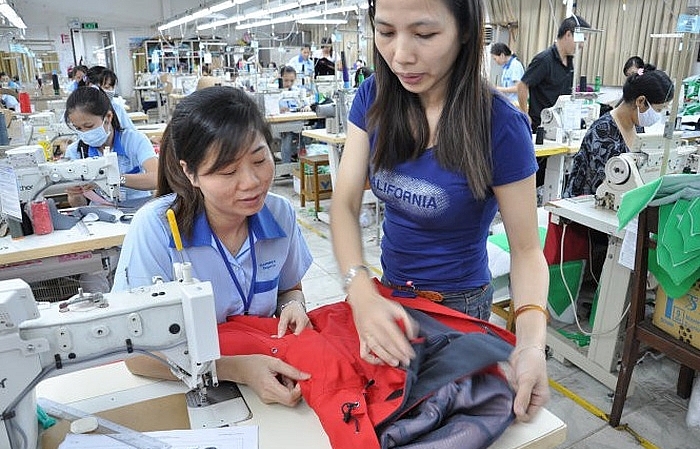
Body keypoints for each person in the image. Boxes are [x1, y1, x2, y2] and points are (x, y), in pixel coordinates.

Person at [330, 0, 550, 422]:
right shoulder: (374, 96)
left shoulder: (499, 126)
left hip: (457, 307)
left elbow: (526, 251)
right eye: (386, 32)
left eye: (425, 34)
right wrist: (361, 292)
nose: (400, 55)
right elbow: (344, 203)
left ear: (465, 30)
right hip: (390, 294)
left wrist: (530, 345)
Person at [112, 86, 314, 407]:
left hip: (269, 375)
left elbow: (290, 289)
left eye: (260, 159)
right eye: (228, 171)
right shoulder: (157, 228)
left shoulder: (279, 213)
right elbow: (137, 357)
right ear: (190, 173)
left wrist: (294, 306)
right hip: (186, 383)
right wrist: (236, 369)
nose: (251, 182)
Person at [564, 68, 673, 198]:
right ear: (640, 101)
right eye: (659, 109)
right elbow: (605, 187)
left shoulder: (637, 126)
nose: (658, 115)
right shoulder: (604, 132)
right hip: (588, 204)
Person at [63, 86, 157, 208]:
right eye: (78, 128)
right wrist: (74, 194)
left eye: (89, 126)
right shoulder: (76, 152)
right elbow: (80, 206)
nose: (84, 133)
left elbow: (157, 178)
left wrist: (116, 179)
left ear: (108, 117)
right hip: (99, 214)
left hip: (139, 210)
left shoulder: (133, 140)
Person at [517, 15, 591, 132]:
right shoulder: (544, 60)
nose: (582, 45)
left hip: (561, 126)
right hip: (542, 126)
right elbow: (522, 85)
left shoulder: (569, 61)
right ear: (568, 34)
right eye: (582, 39)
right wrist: (525, 114)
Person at [278, 65, 311, 163]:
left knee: (305, 137)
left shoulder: (297, 91)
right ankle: (286, 166)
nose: (289, 83)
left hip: (297, 123)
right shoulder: (275, 92)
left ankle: (304, 164)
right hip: (283, 125)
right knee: (287, 138)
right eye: (286, 80)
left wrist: (307, 107)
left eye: (292, 81)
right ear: (280, 78)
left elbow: (306, 104)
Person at [85, 65, 135, 130]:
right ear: (92, 87)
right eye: (106, 87)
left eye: (113, 87)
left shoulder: (116, 108)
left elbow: (131, 131)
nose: (111, 91)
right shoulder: (82, 110)